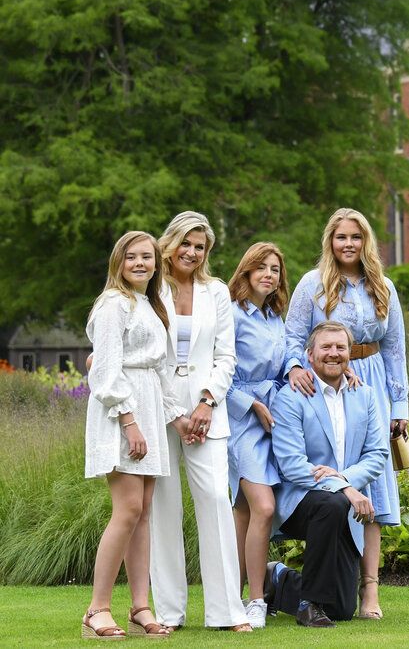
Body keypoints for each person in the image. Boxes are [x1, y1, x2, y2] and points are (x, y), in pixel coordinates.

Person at [285, 207, 409, 620]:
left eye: (356, 237)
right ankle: (314, 585)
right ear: (330, 241)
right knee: (335, 485)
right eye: (341, 237)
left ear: (366, 241)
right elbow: (293, 336)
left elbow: (394, 349)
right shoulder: (311, 285)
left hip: (369, 383)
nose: (349, 244)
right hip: (326, 377)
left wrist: (400, 405)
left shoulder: (383, 286)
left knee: (372, 492)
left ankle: (370, 591)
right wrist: (296, 367)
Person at [149, 211, 251, 632]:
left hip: (210, 412)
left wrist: (207, 402)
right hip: (159, 409)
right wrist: (176, 415)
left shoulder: (216, 292)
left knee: (214, 502)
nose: (191, 252)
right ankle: (169, 613)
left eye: (200, 246)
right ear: (169, 244)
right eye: (185, 243)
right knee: (163, 507)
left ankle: (226, 612)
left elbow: (227, 355)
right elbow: (150, 358)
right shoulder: (150, 291)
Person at [83, 231, 187, 639]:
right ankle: (97, 609)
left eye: (147, 256)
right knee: (127, 511)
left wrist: (175, 417)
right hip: (121, 411)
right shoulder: (113, 304)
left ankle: (140, 607)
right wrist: (129, 421)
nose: (140, 263)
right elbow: (105, 373)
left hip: (147, 406)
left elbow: (159, 374)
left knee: (143, 515)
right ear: (119, 263)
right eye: (132, 257)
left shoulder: (150, 304)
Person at [267, 321, 388, 627]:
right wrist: (344, 488)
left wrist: (342, 481)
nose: (333, 354)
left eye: (340, 347)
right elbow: (292, 464)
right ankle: (309, 605)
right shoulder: (290, 397)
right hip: (300, 501)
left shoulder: (366, 396)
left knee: (342, 610)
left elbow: (378, 455)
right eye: (326, 347)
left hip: (343, 506)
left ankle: (277, 578)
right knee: (331, 503)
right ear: (309, 355)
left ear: (349, 354)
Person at [225, 242, 290, 629]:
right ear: (246, 272)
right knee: (262, 507)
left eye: (276, 269)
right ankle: (256, 599)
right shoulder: (232, 315)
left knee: (245, 512)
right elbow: (220, 375)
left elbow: (284, 368)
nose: (269, 274)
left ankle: (229, 598)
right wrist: (253, 405)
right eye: (262, 267)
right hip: (242, 421)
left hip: (275, 420)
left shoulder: (275, 319)